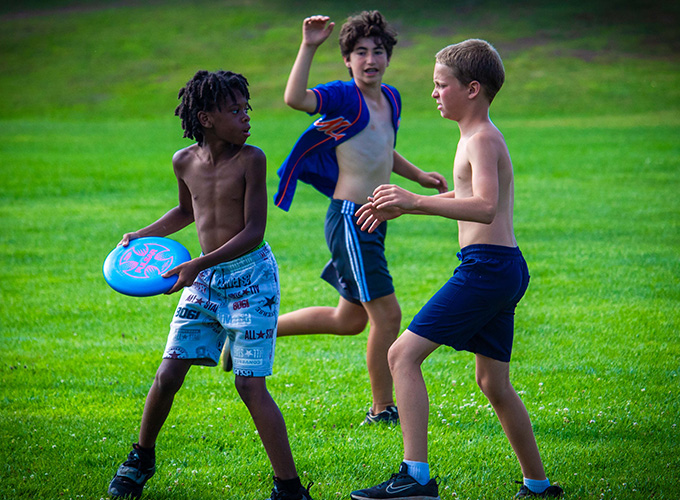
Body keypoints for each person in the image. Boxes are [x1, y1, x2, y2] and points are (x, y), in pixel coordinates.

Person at [350, 40, 563, 499]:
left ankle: (416, 477)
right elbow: (467, 194)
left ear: (471, 88)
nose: (434, 94)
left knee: (401, 355)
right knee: (492, 382)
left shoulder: (482, 137)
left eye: (440, 85)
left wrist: (414, 200)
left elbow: (485, 207)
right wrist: (407, 208)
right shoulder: (475, 136)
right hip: (498, 268)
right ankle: (538, 485)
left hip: (487, 269)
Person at [107, 70, 314, 500]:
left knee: (249, 385)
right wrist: (143, 235)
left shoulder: (251, 160)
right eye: (234, 110)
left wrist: (199, 263)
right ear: (205, 118)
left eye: (246, 109)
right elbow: (186, 211)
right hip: (204, 281)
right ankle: (140, 458)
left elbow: (254, 231)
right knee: (168, 374)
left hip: (251, 279)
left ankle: (290, 488)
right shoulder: (183, 161)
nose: (245, 117)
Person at [271, 11, 448, 426]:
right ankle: (381, 409)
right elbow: (295, 100)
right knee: (387, 315)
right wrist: (309, 45)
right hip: (351, 219)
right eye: (360, 52)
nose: (371, 59)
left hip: (374, 220)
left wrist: (417, 175)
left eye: (378, 51)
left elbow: (382, 148)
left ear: (388, 57)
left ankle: (253, 330)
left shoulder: (392, 98)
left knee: (348, 320)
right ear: (348, 60)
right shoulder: (343, 96)